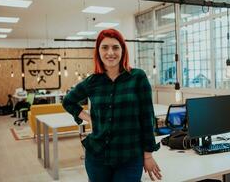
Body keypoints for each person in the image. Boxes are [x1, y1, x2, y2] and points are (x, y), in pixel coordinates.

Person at [62, 28, 162, 182]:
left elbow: (147, 118)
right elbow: (68, 101)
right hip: (97, 156)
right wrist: (89, 118)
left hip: (129, 156)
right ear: (98, 51)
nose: (110, 52)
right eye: (105, 47)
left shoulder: (137, 77)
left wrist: (148, 155)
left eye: (115, 47)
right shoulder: (92, 81)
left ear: (122, 50)